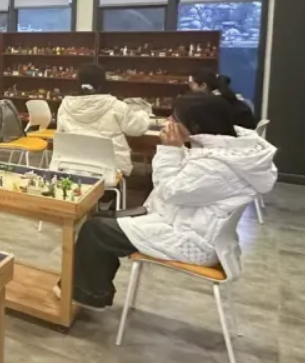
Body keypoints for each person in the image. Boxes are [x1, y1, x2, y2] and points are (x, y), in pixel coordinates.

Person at [69, 93, 276, 310]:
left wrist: (170, 149)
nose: (169, 121)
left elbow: (169, 191)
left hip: (192, 239)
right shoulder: (226, 150)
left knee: (96, 230)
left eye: (174, 118)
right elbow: (185, 181)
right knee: (102, 220)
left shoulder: (216, 166)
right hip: (190, 223)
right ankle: (89, 289)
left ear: (195, 126)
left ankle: (88, 295)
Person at [57, 63, 151, 176]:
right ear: (102, 83)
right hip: (111, 170)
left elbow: (60, 134)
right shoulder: (115, 105)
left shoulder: (65, 106)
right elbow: (137, 128)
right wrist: (144, 113)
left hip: (74, 166)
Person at [189, 69, 258, 130]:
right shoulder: (224, 95)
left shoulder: (214, 102)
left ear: (203, 85)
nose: (190, 88)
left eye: (191, 84)